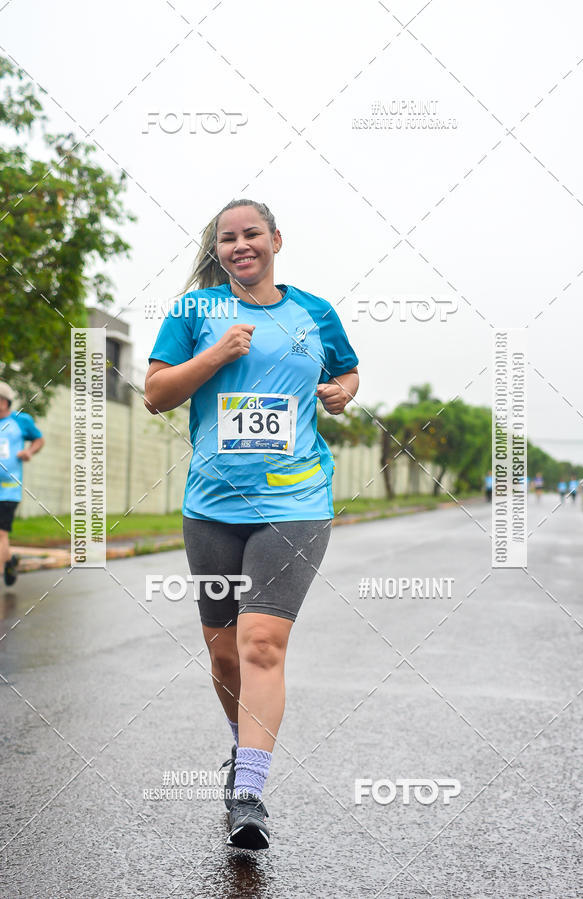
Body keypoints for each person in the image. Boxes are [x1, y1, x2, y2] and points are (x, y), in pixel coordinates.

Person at [144, 199, 359, 850]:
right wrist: (215, 355)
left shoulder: (315, 313)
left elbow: (346, 371)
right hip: (211, 506)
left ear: (275, 240)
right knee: (222, 649)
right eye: (227, 238)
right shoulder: (193, 313)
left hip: (295, 501)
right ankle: (245, 750)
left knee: (261, 642)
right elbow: (156, 392)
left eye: (252, 234)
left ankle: (249, 791)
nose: (241, 245)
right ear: (218, 250)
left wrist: (344, 389)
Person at [0, 382, 44, 585]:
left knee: (1, 533)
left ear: (6, 401)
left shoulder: (20, 421)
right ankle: (10, 562)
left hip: (8, 490)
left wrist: (29, 452)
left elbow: (38, 439)